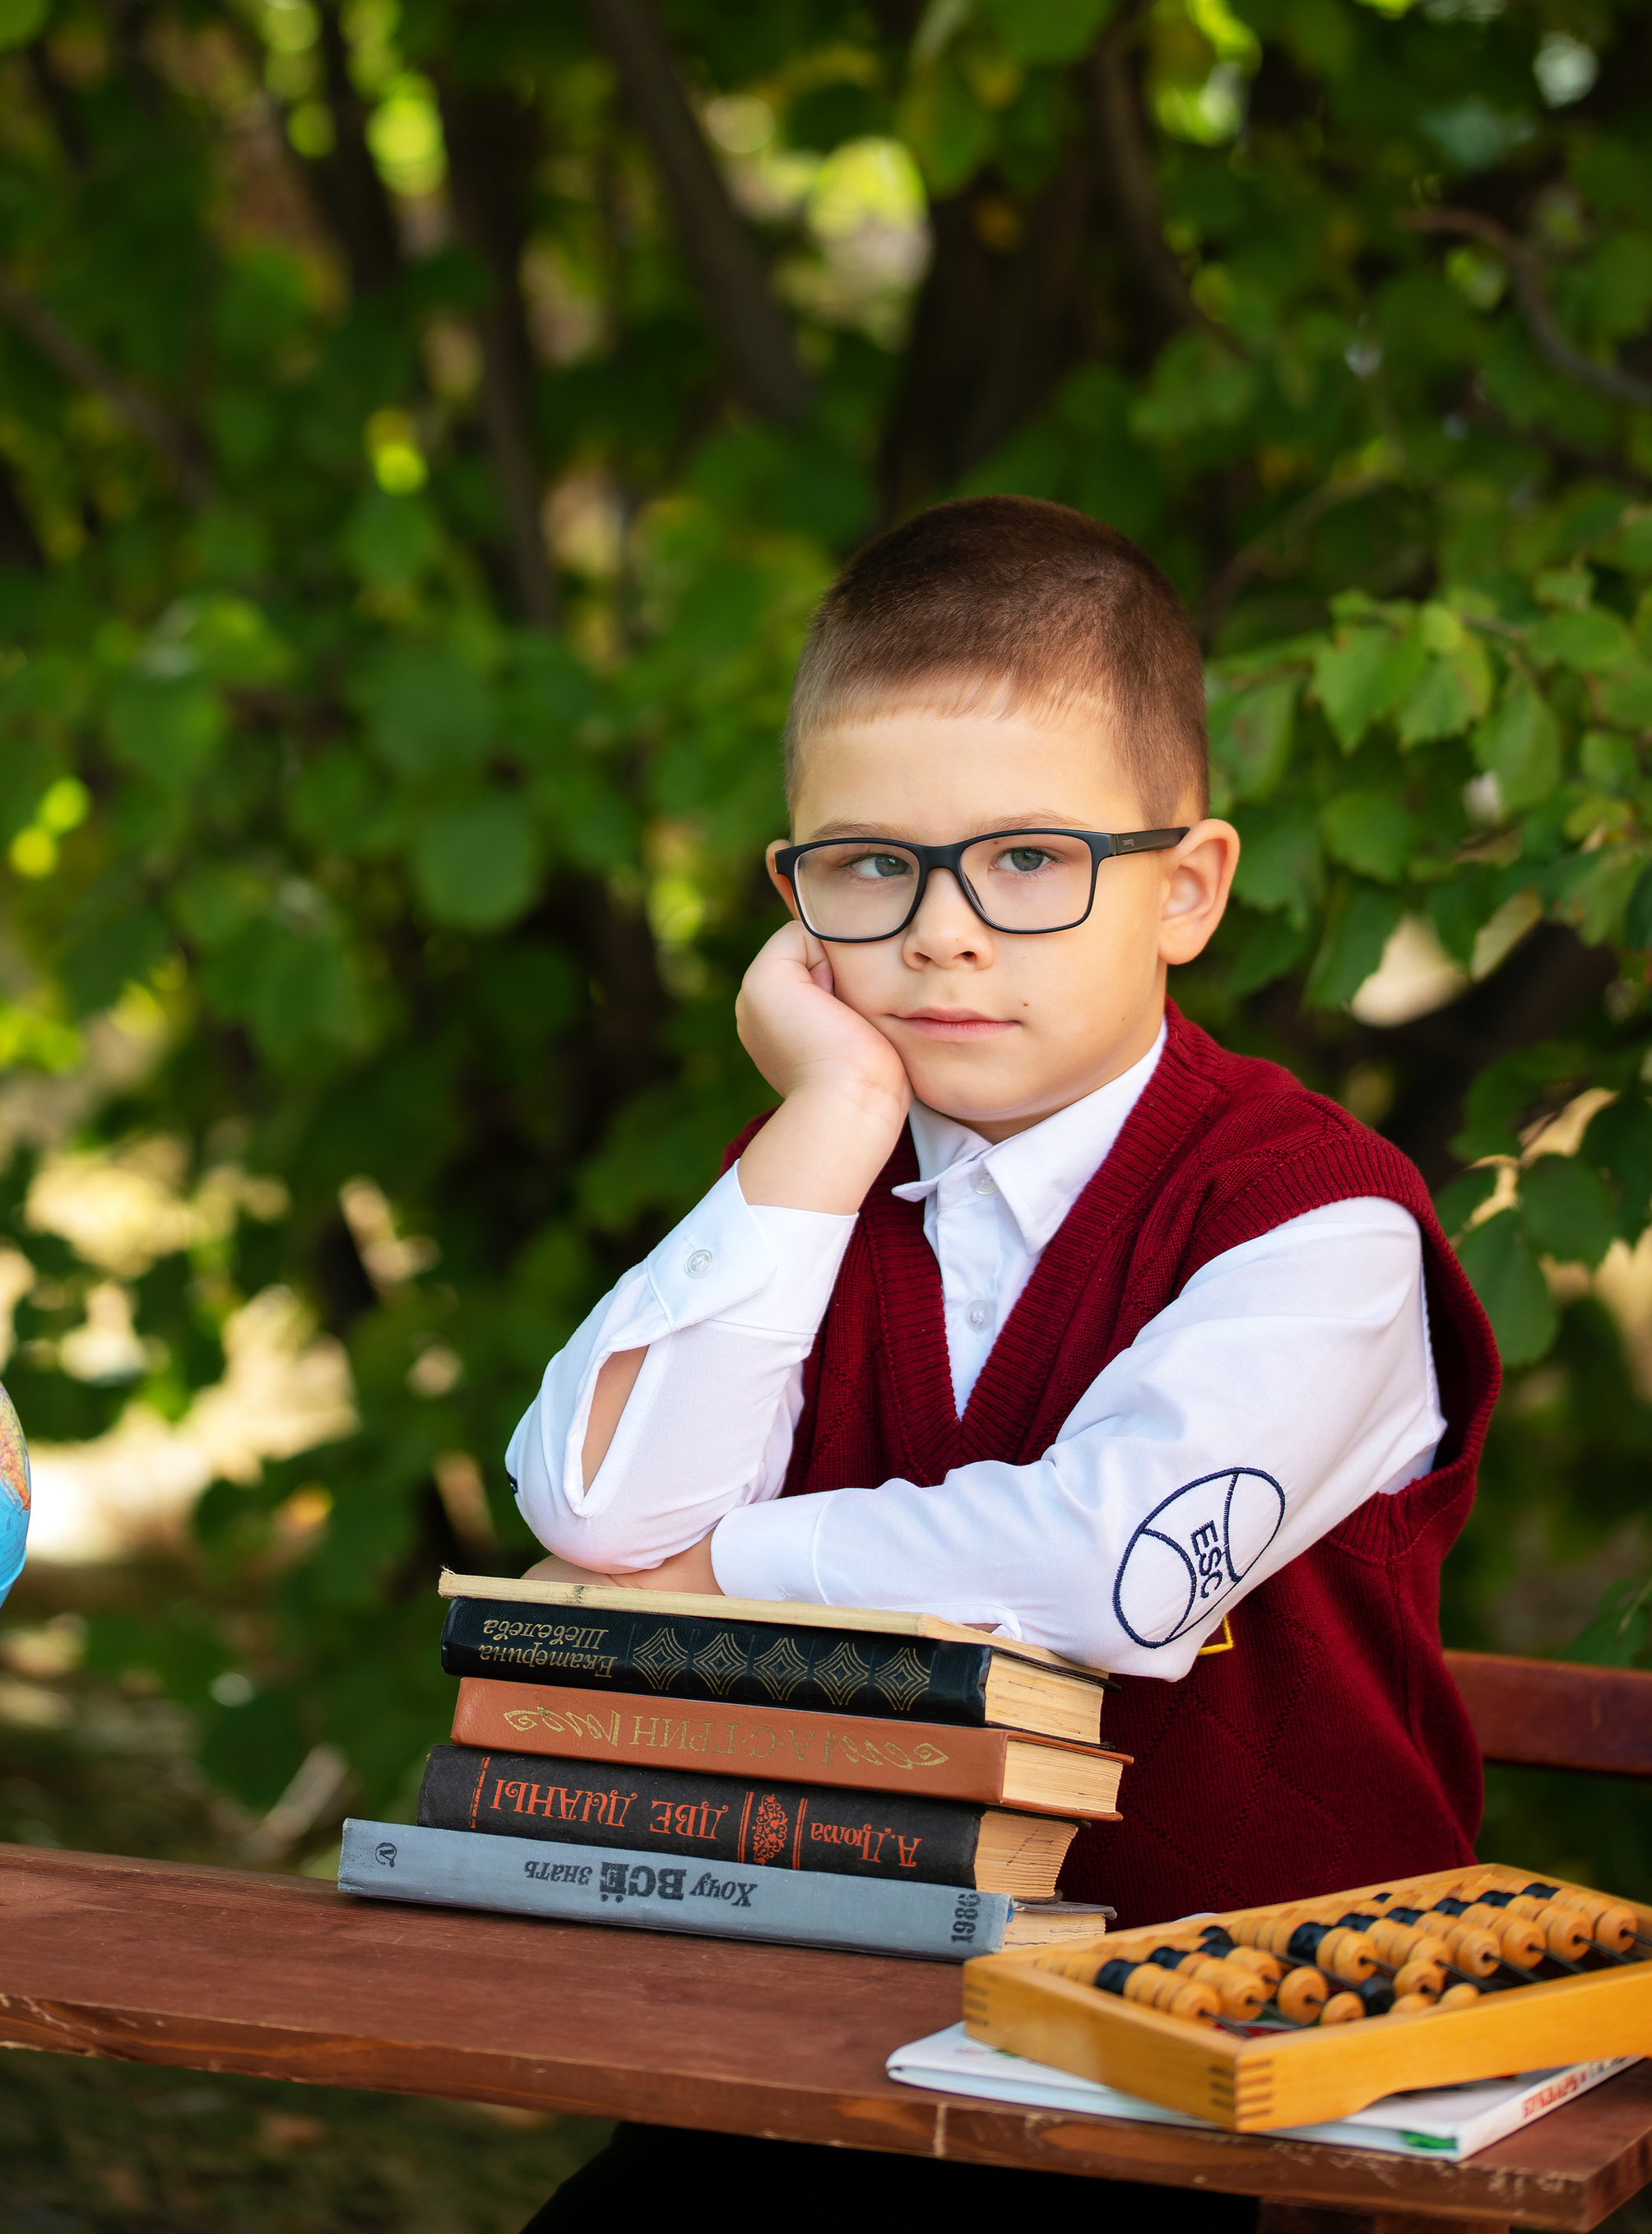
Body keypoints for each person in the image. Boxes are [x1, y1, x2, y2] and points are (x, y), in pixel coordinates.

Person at [508, 496, 1498, 2234]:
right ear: (791, 895)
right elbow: (598, 1511)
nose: (941, 931)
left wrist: (727, 1568)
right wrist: (824, 1114)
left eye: (1027, 860)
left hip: (1232, 2062)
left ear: (1184, 886)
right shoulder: (828, 1176)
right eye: (871, 863)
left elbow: (1106, 1570)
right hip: (836, 2022)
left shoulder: (1313, 1221)